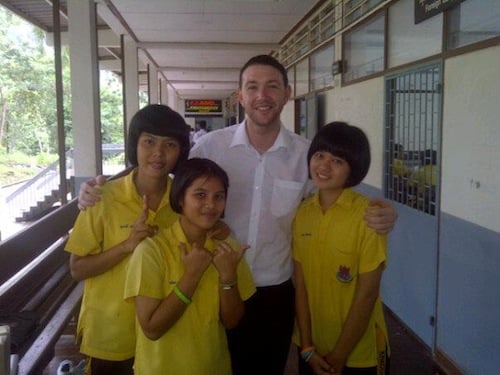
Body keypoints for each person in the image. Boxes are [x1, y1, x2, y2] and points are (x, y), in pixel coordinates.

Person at [77, 54, 398, 375]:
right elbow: (168, 179)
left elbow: (334, 196)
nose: (263, 96)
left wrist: (384, 209)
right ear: (240, 95)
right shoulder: (210, 148)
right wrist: (100, 186)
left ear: (287, 94)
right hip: (210, 284)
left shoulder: (306, 155)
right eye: (252, 87)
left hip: (276, 291)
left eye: (272, 87)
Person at [64, 104, 191, 374]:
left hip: (163, 331)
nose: (158, 153)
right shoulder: (103, 198)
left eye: (170, 144)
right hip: (110, 333)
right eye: (148, 142)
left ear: (180, 151)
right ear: (135, 144)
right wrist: (127, 245)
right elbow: (77, 268)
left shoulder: (182, 201)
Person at [123, 158, 256, 374]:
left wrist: (228, 278)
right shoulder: (151, 250)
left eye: (218, 196)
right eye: (200, 195)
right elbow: (152, 328)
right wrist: (191, 276)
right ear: (180, 198)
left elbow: (231, 322)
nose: (211, 205)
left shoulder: (228, 249)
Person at [293, 122, 389, 375]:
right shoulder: (302, 213)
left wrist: (340, 355)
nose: (323, 166)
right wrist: (306, 345)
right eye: (319, 155)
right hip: (311, 348)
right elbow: (300, 286)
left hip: (358, 355)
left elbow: (367, 294)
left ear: (353, 169)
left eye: (337, 161)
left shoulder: (368, 216)